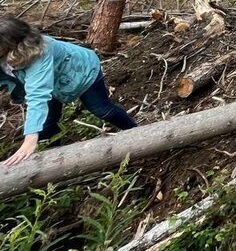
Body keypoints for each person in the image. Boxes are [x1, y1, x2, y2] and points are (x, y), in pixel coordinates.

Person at [0, 16, 136, 166]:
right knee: (46, 125)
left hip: (82, 71)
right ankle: (57, 161)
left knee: (102, 110)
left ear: (10, 44)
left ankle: (137, 133)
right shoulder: (5, 52)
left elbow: (37, 95)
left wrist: (30, 138)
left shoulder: (39, 52)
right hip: (51, 82)